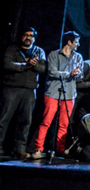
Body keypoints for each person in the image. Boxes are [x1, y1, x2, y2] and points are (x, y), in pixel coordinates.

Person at [32, 31, 83, 159]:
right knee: (46, 121)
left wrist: (77, 74)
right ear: (69, 42)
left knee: (64, 124)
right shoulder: (54, 55)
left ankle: (59, 150)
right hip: (53, 92)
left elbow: (80, 74)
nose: (78, 45)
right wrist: (68, 74)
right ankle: (38, 149)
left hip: (70, 93)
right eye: (76, 42)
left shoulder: (78, 57)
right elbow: (52, 72)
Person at [0, 27, 46, 159]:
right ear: (21, 36)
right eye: (26, 35)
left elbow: (43, 68)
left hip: (30, 91)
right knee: (3, 119)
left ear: (34, 38)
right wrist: (25, 65)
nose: (28, 37)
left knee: (25, 121)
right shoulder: (12, 49)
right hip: (11, 88)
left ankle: (20, 148)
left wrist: (33, 65)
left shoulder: (39, 51)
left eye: (31, 36)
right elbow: (7, 64)